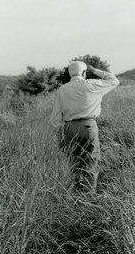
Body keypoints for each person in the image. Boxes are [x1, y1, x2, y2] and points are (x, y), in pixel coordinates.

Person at [50, 61, 119, 192]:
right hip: (88, 127)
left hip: (68, 127)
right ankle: (88, 195)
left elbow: (55, 118)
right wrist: (95, 71)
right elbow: (114, 81)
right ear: (84, 72)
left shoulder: (62, 89)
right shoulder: (92, 84)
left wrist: (62, 131)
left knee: (72, 162)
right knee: (91, 162)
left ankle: (74, 192)